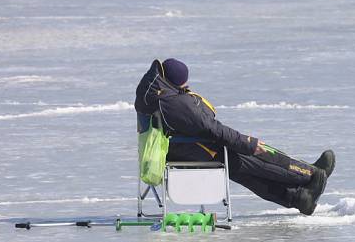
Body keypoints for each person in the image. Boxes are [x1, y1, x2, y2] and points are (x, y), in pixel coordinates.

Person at [134, 58, 335, 215]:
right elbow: (212, 128)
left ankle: (299, 198)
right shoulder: (175, 103)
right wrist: (248, 143)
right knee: (259, 157)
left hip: (181, 151)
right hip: (195, 150)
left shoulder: (155, 93)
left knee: (246, 173)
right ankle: (312, 174)